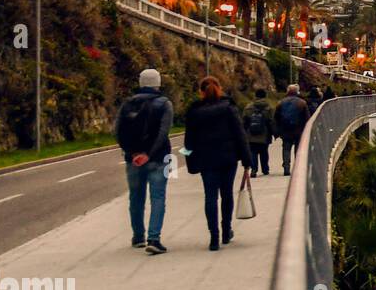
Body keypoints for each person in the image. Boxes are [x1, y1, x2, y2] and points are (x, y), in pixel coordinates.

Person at [183, 76, 251, 252]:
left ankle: (213, 236)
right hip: (228, 158)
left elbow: (188, 141)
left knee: (210, 197)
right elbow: (240, 134)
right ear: (219, 88)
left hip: (206, 160)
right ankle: (226, 230)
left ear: (201, 91)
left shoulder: (194, 112)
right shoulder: (228, 108)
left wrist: (190, 162)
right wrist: (246, 159)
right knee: (227, 194)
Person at [115, 68, 173, 253]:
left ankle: (138, 236)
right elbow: (163, 133)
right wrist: (148, 153)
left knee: (136, 198)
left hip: (133, 160)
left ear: (140, 83)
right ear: (158, 83)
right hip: (159, 157)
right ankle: (154, 239)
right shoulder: (165, 104)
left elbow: (117, 131)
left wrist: (132, 153)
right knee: (158, 197)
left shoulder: (127, 105)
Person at [274, 83, 310, 176]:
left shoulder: (281, 102)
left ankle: (286, 167)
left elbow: (276, 117)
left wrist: (277, 130)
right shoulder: (302, 103)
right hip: (298, 130)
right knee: (298, 149)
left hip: (285, 130)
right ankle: (298, 167)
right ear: (297, 92)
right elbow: (307, 118)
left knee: (286, 149)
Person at [243, 88, 275, 176]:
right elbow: (271, 121)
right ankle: (265, 169)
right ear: (265, 96)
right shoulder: (269, 107)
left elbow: (244, 121)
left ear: (255, 95)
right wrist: (274, 133)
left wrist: (244, 133)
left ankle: (254, 169)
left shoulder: (248, 107)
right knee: (264, 151)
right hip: (264, 134)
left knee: (253, 152)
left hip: (251, 133)